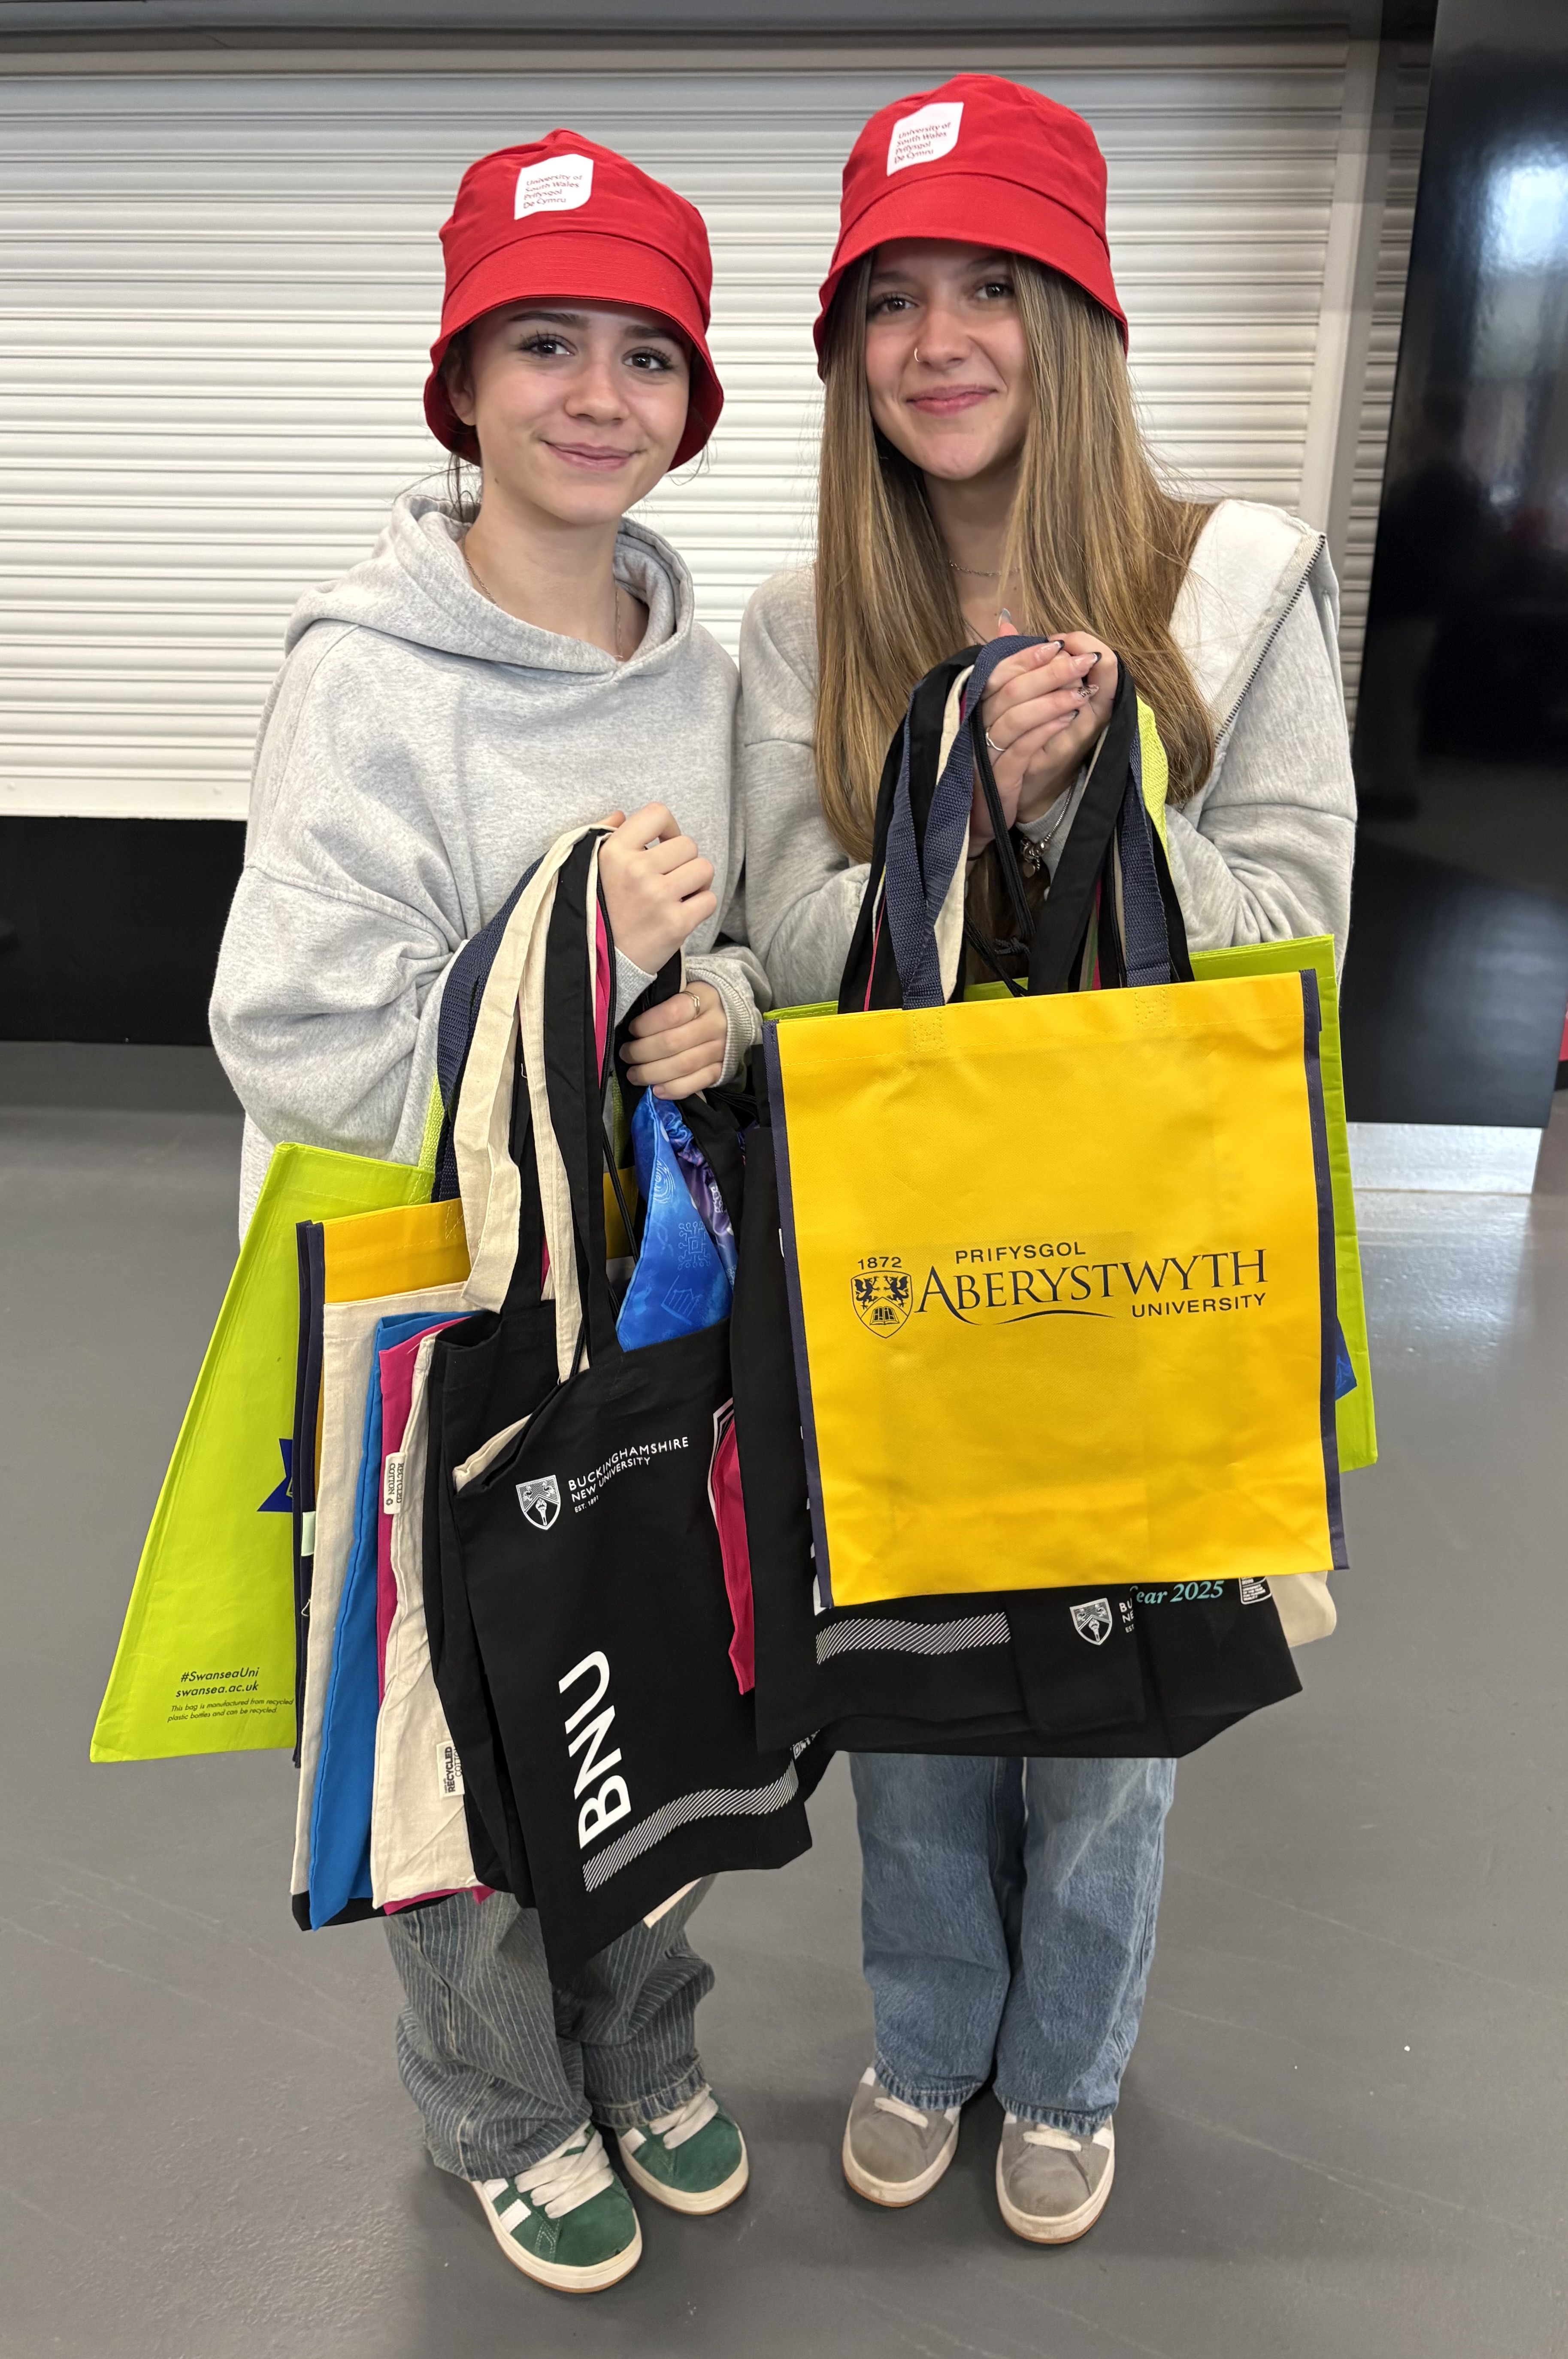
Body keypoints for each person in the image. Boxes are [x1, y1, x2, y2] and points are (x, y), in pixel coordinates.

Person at [739, 74, 1355, 2245]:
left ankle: (1066, 2067)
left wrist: (1115, 804)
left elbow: (1296, 931)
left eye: (987, 287)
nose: (935, 343)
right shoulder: (799, 622)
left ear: (1074, 316)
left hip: (1145, 1245)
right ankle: (926, 2035)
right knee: (913, 1679)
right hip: (901, 1250)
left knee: (1103, 1703)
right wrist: (958, 799)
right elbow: (785, 945)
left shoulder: (1235, 584)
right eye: (888, 300)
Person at [211, 129, 766, 2295]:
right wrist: (573, 946)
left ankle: (641, 2033)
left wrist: (712, 1010)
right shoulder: (365, 674)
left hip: (653, 1297)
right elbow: (298, 1032)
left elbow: (732, 959)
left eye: (645, 353)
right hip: (436, 1316)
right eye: (544, 344)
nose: (596, 395)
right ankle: (499, 2101)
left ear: (690, 399)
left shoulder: (703, 676)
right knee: (459, 1718)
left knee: (656, 1665)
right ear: (459, 380)